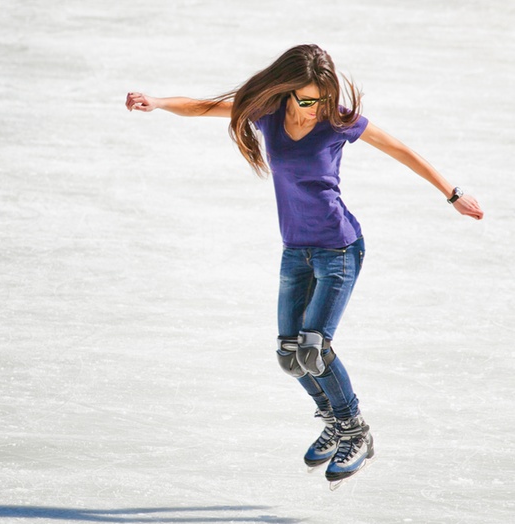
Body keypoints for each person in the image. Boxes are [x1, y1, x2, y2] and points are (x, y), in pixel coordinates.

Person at [125, 44, 483, 487]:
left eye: (323, 99)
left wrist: (452, 193)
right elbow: (204, 106)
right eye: (308, 100)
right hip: (296, 250)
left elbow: (400, 149)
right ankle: (334, 421)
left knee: (314, 347)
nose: (316, 109)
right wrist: (157, 102)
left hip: (339, 249)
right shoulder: (268, 112)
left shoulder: (338, 120)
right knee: (290, 356)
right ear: (288, 92)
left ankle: (355, 430)